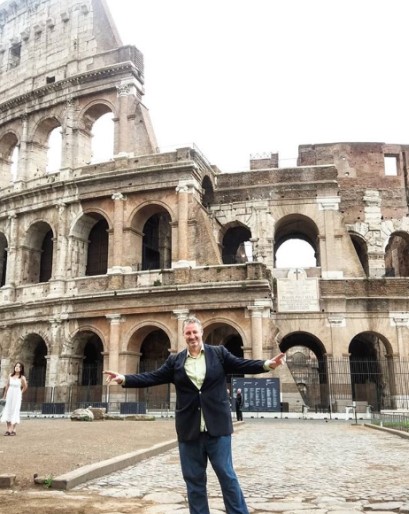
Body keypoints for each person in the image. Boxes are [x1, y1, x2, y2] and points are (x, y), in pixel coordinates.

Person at [104, 316, 285, 514]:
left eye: (195, 332)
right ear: (184, 335)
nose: (192, 336)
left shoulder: (219, 354)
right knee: (194, 481)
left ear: (201, 333)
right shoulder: (175, 361)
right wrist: (124, 378)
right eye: (188, 333)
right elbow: (152, 376)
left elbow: (242, 364)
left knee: (227, 476)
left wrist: (268, 364)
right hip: (190, 429)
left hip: (217, 427)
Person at [1, 362, 28, 436]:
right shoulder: (10, 375)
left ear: (21, 369)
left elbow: (25, 386)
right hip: (10, 394)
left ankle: (12, 429)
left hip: (17, 396)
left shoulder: (22, 377)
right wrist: (4, 395)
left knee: (15, 410)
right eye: (16, 366)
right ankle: (8, 428)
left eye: (19, 367)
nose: (17, 367)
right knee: (8, 410)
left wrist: (20, 393)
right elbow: (7, 386)